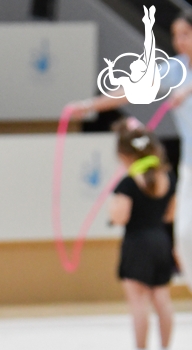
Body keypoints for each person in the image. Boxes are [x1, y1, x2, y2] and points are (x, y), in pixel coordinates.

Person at [70, 10, 192, 294]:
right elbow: (132, 88)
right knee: (185, 235)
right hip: (190, 165)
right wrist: (90, 105)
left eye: (185, 34)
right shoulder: (177, 69)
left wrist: (187, 92)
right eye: (175, 35)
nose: (178, 41)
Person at [109, 118, 176, 350]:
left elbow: (120, 217)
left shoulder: (128, 183)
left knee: (138, 300)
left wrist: (113, 205)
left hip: (137, 242)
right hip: (161, 240)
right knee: (162, 299)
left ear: (124, 156)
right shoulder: (167, 177)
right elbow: (170, 214)